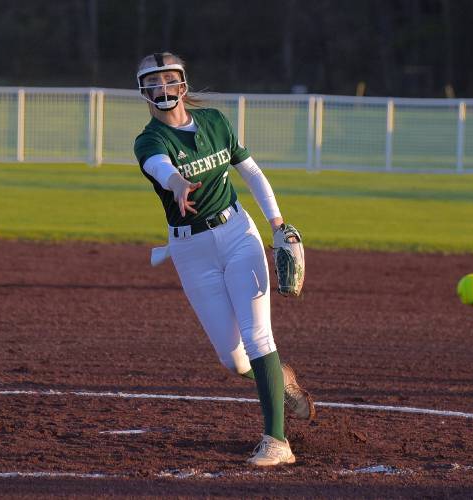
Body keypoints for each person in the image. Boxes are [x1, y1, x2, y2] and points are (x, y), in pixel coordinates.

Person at [132, 52, 315, 467]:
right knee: (233, 360)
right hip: (190, 250)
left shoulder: (215, 122)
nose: (163, 89)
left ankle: (276, 441)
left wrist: (277, 222)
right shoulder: (148, 140)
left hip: (238, 235)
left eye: (169, 79)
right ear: (143, 90)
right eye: (153, 82)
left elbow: (250, 171)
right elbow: (161, 168)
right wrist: (176, 181)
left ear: (183, 84)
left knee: (258, 338)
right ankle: (279, 380)